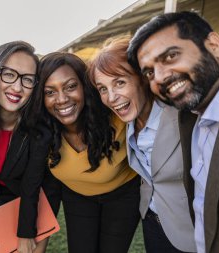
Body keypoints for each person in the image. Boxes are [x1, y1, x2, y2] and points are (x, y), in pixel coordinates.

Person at [127, 11, 219, 253]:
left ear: (213, 44)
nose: (161, 77)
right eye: (150, 72)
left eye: (171, 55)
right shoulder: (189, 116)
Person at [88, 36, 196, 253]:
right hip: (153, 222)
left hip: (192, 230)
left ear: (143, 78)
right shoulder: (126, 122)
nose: (111, 97)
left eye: (119, 82)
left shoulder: (185, 117)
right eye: (102, 88)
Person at [32, 52, 140, 253]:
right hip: (77, 197)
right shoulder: (41, 135)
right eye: (50, 92)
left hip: (124, 195)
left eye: (71, 86)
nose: (62, 99)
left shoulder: (119, 115)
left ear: (85, 86)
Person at [0, 41, 52, 253]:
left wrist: (26, 233)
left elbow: (31, 185)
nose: (17, 87)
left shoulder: (38, 129)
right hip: (5, 193)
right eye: (8, 74)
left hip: (37, 196)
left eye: (27, 79)